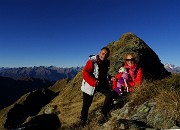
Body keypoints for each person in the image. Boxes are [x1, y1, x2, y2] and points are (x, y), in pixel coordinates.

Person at [80, 47, 113, 127]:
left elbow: (103, 74)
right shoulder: (91, 61)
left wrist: (110, 77)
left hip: (101, 84)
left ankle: (104, 112)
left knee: (110, 94)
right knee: (86, 105)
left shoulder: (106, 62)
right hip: (90, 85)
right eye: (103, 53)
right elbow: (85, 74)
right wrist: (93, 82)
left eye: (106, 54)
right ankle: (83, 122)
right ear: (99, 53)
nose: (104, 56)